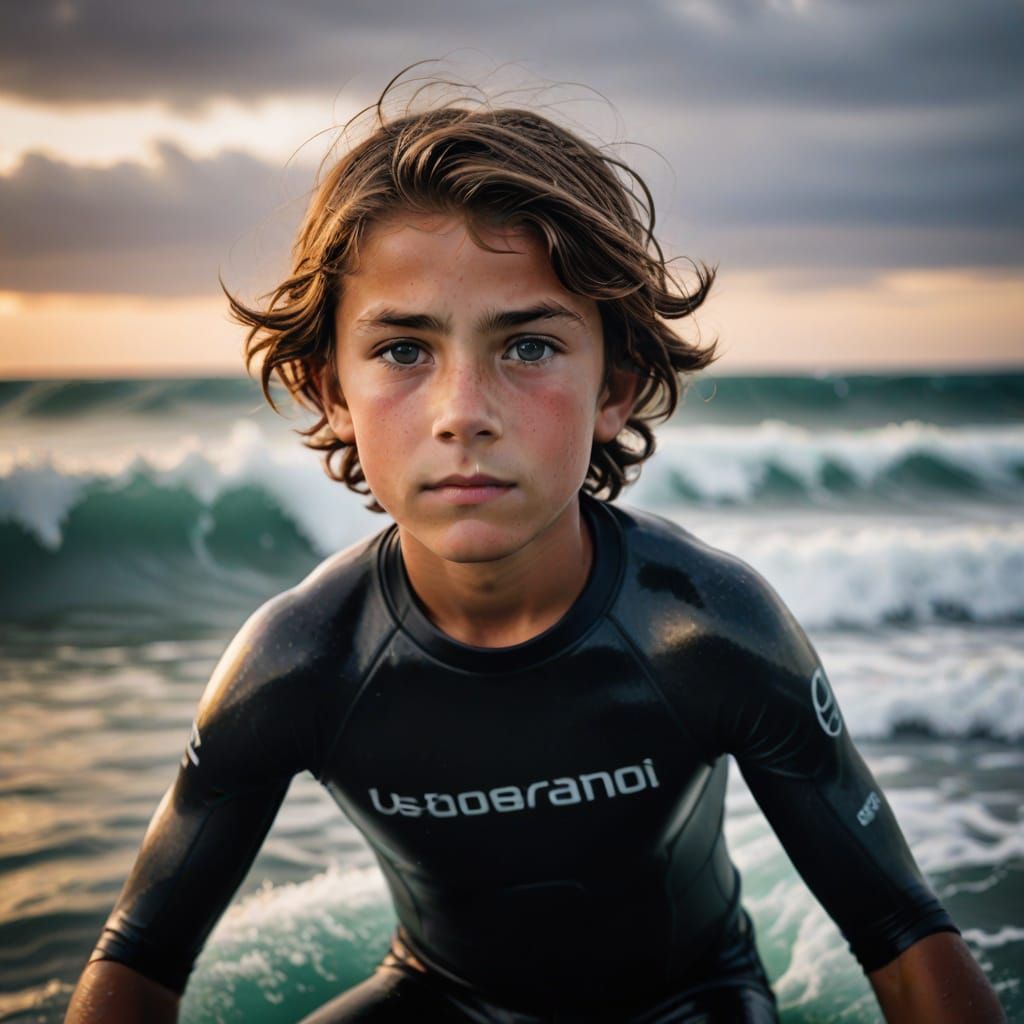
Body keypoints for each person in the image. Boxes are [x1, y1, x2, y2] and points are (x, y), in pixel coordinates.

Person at [66, 70, 1006, 1024]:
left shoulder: (710, 633)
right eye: (403, 350)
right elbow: (137, 962)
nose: (463, 413)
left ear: (617, 387)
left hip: (690, 1005)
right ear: (330, 393)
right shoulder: (300, 664)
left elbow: (902, 932)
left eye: (527, 347)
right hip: (440, 1000)